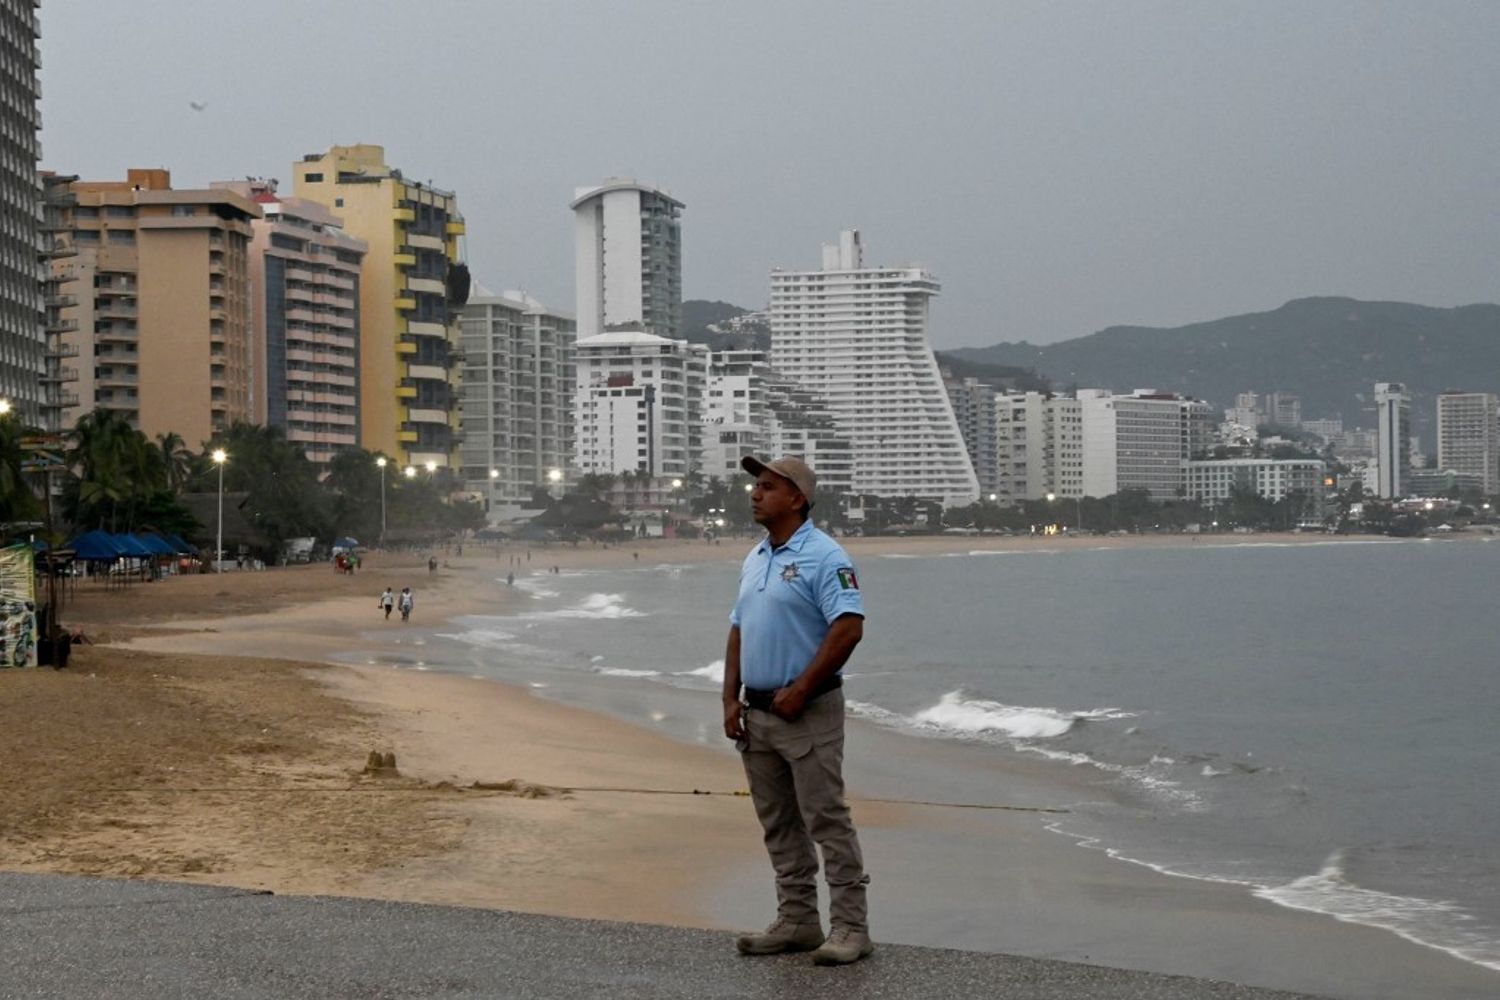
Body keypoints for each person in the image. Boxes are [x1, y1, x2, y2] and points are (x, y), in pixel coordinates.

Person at [722, 455, 872, 966]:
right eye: (755, 486)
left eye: (767, 486)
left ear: (797, 498)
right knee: (778, 823)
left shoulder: (827, 556)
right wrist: (729, 697)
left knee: (826, 819)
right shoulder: (756, 556)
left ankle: (851, 927)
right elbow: (739, 628)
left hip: (807, 712)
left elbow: (848, 626)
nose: (755, 494)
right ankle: (798, 921)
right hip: (757, 713)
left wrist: (802, 689)